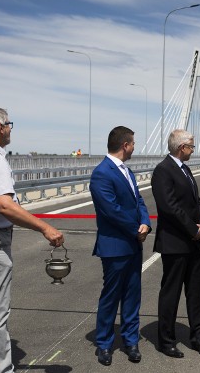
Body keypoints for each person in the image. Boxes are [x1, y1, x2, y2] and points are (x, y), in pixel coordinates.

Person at [0, 106, 64, 373]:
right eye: (9, 124)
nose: (10, 128)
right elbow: (4, 206)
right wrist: (44, 228)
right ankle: (3, 370)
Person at [90, 126, 151, 366]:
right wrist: (136, 229)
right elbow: (111, 210)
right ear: (125, 145)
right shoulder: (102, 173)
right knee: (111, 296)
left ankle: (130, 340)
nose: (135, 147)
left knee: (132, 295)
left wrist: (145, 222)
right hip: (115, 245)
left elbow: (139, 200)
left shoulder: (127, 172)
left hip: (134, 244)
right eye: (133, 143)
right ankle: (104, 344)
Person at [151, 129, 200, 358]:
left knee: (197, 293)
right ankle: (166, 341)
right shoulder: (163, 171)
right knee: (171, 293)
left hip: (194, 241)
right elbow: (169, 207)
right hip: (175, 242)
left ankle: (199, 339)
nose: (193, 150)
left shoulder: (185, 170)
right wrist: (191, 229)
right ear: (181, 147)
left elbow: (196, 201)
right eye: (191, 146)